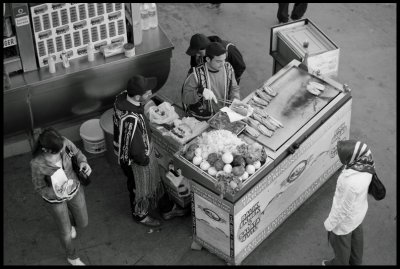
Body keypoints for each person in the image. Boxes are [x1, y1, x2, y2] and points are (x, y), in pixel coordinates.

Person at [113, 75, 189, 227]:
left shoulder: (121, 99)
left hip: (138, 152)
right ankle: (140, 215)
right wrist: (146, 161)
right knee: (139, 187)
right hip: (135, 160)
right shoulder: (131, 119)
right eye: (147, 93)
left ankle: (166, 209)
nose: (150, 94)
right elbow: (135, 150)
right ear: (137, 96)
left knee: (155, 181)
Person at [30, 128, 92, 266]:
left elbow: (78, 153)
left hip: (75, 188)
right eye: (56, 152)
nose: (60, 152)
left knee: (83, 221)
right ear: (46, 150)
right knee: (65, 232)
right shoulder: (37, 163)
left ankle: (70, 224)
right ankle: (72, 256)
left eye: (61, 150)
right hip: (55, 200)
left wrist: (83, 162)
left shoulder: (64, 143)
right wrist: (56, 193)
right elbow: (39, 187)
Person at [322, 140, 374, 265]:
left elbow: (343, 209)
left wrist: (330, 224)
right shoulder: (367, 164)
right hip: (358, 215)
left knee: (341, 249)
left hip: (344, 223)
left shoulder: (350, 182)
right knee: (356, 246)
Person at [182, 42, 240, 121]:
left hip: (223, 115)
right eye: (218, 61)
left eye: (224, 60)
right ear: (208, 59)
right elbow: (185, 98)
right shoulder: (195, 74)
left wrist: (235, 100)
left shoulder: (228, 67)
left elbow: (234, 88)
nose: (223, 64)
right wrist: (200, 91)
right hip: (202, 119)